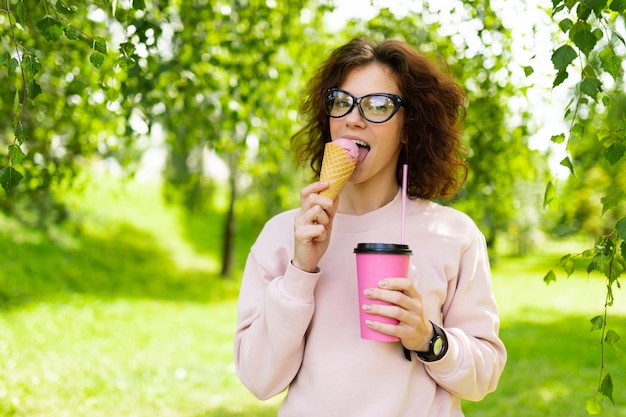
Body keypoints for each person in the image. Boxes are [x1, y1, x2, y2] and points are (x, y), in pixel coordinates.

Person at [234, 37, 507, 416]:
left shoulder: (453, 235)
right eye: (341, 101)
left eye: (378, 105)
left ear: (409, 126)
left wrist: (428, 338)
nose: (353, 117)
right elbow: (258, 379)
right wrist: (300, 272)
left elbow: (484, 376)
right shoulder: (283, 236)